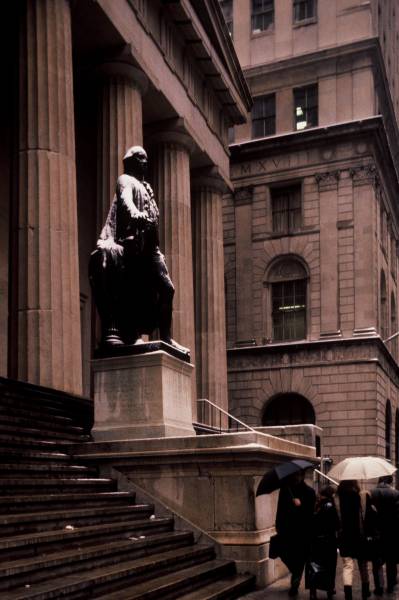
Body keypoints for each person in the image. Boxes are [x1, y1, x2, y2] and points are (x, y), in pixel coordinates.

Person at [89, 146, 177, 349]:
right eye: (141, 158)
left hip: (151, 247)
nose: (145, 162)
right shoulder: (125, 180)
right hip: (133, 242)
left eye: (146, 159)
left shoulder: (147, 186)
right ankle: (133, 333)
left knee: (167, 288)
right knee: (135, 287)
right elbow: (126, 201)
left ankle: (166, 336)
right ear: (130, 161)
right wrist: (136, 213)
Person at [275, 470, 316, 596]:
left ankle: (295, 583)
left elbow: (311, 513)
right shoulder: (286, 490)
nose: (297, 477)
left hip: (303, 532)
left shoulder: (310, 492)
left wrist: (301, 505)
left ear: (303, 476)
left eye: (299, 475)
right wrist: (278, 525)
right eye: (295, 475)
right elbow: (280, 509)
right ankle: (296, 573)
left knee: (300, 558)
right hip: (288, 530)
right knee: (285, 554)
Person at [337, 480, 378, 600]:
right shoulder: (361, 496)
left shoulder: (338, 498)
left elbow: (338, 519)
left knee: (347, 566)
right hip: (360, 537)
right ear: (354, 484)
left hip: (345, 537)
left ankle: (348, 595)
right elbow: (367, 516)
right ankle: (365, 591)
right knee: (363, 565)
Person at [305, 485, 339, 600]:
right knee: (329, 567)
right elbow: (337, 525)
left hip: (315, 542)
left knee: (314, 567)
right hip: (329, 542)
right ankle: (329, 590)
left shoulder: (315, 506)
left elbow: (310, 524)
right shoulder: (331, 507)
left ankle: (313, 592)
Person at [370, 475, 399, 594]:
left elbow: (369, 514)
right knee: (391, 561)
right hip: (392, 532)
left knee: (377, 562)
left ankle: (379, 587)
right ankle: (391, 585)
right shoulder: (396, 494)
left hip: (376, 532)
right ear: (390, 481)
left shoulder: (371, 493)